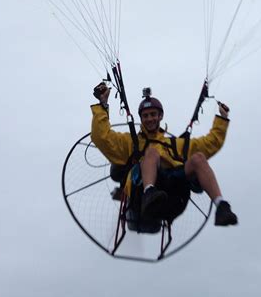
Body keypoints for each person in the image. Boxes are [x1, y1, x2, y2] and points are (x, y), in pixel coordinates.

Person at [90, 83, 238, 227]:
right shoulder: (131, 143)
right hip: (142, 197)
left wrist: (222, 119)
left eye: (153, 114)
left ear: (160, 116)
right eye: (145, 116)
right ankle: (150, 192)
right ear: (140, 119)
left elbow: (210, 144)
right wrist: (103, 105)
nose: (149, 119)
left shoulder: (175, 145)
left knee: (198, 157)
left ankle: (221, 206)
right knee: (152, 153)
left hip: (175, 195)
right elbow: (102, 137)